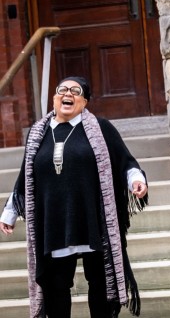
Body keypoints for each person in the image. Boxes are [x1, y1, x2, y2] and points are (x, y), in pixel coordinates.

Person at [0, 76, 148, 318]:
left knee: (99, 282)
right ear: (55, 97)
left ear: (84, 101)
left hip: (92, 219)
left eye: (75, 91)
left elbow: (125, 162)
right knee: (56, 285)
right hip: (55, 222)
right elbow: (26, 176)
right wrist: (11, 210)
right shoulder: (39, 133)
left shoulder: (101, 129)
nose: (67, 94)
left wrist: (136, 181)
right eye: (62, 90)